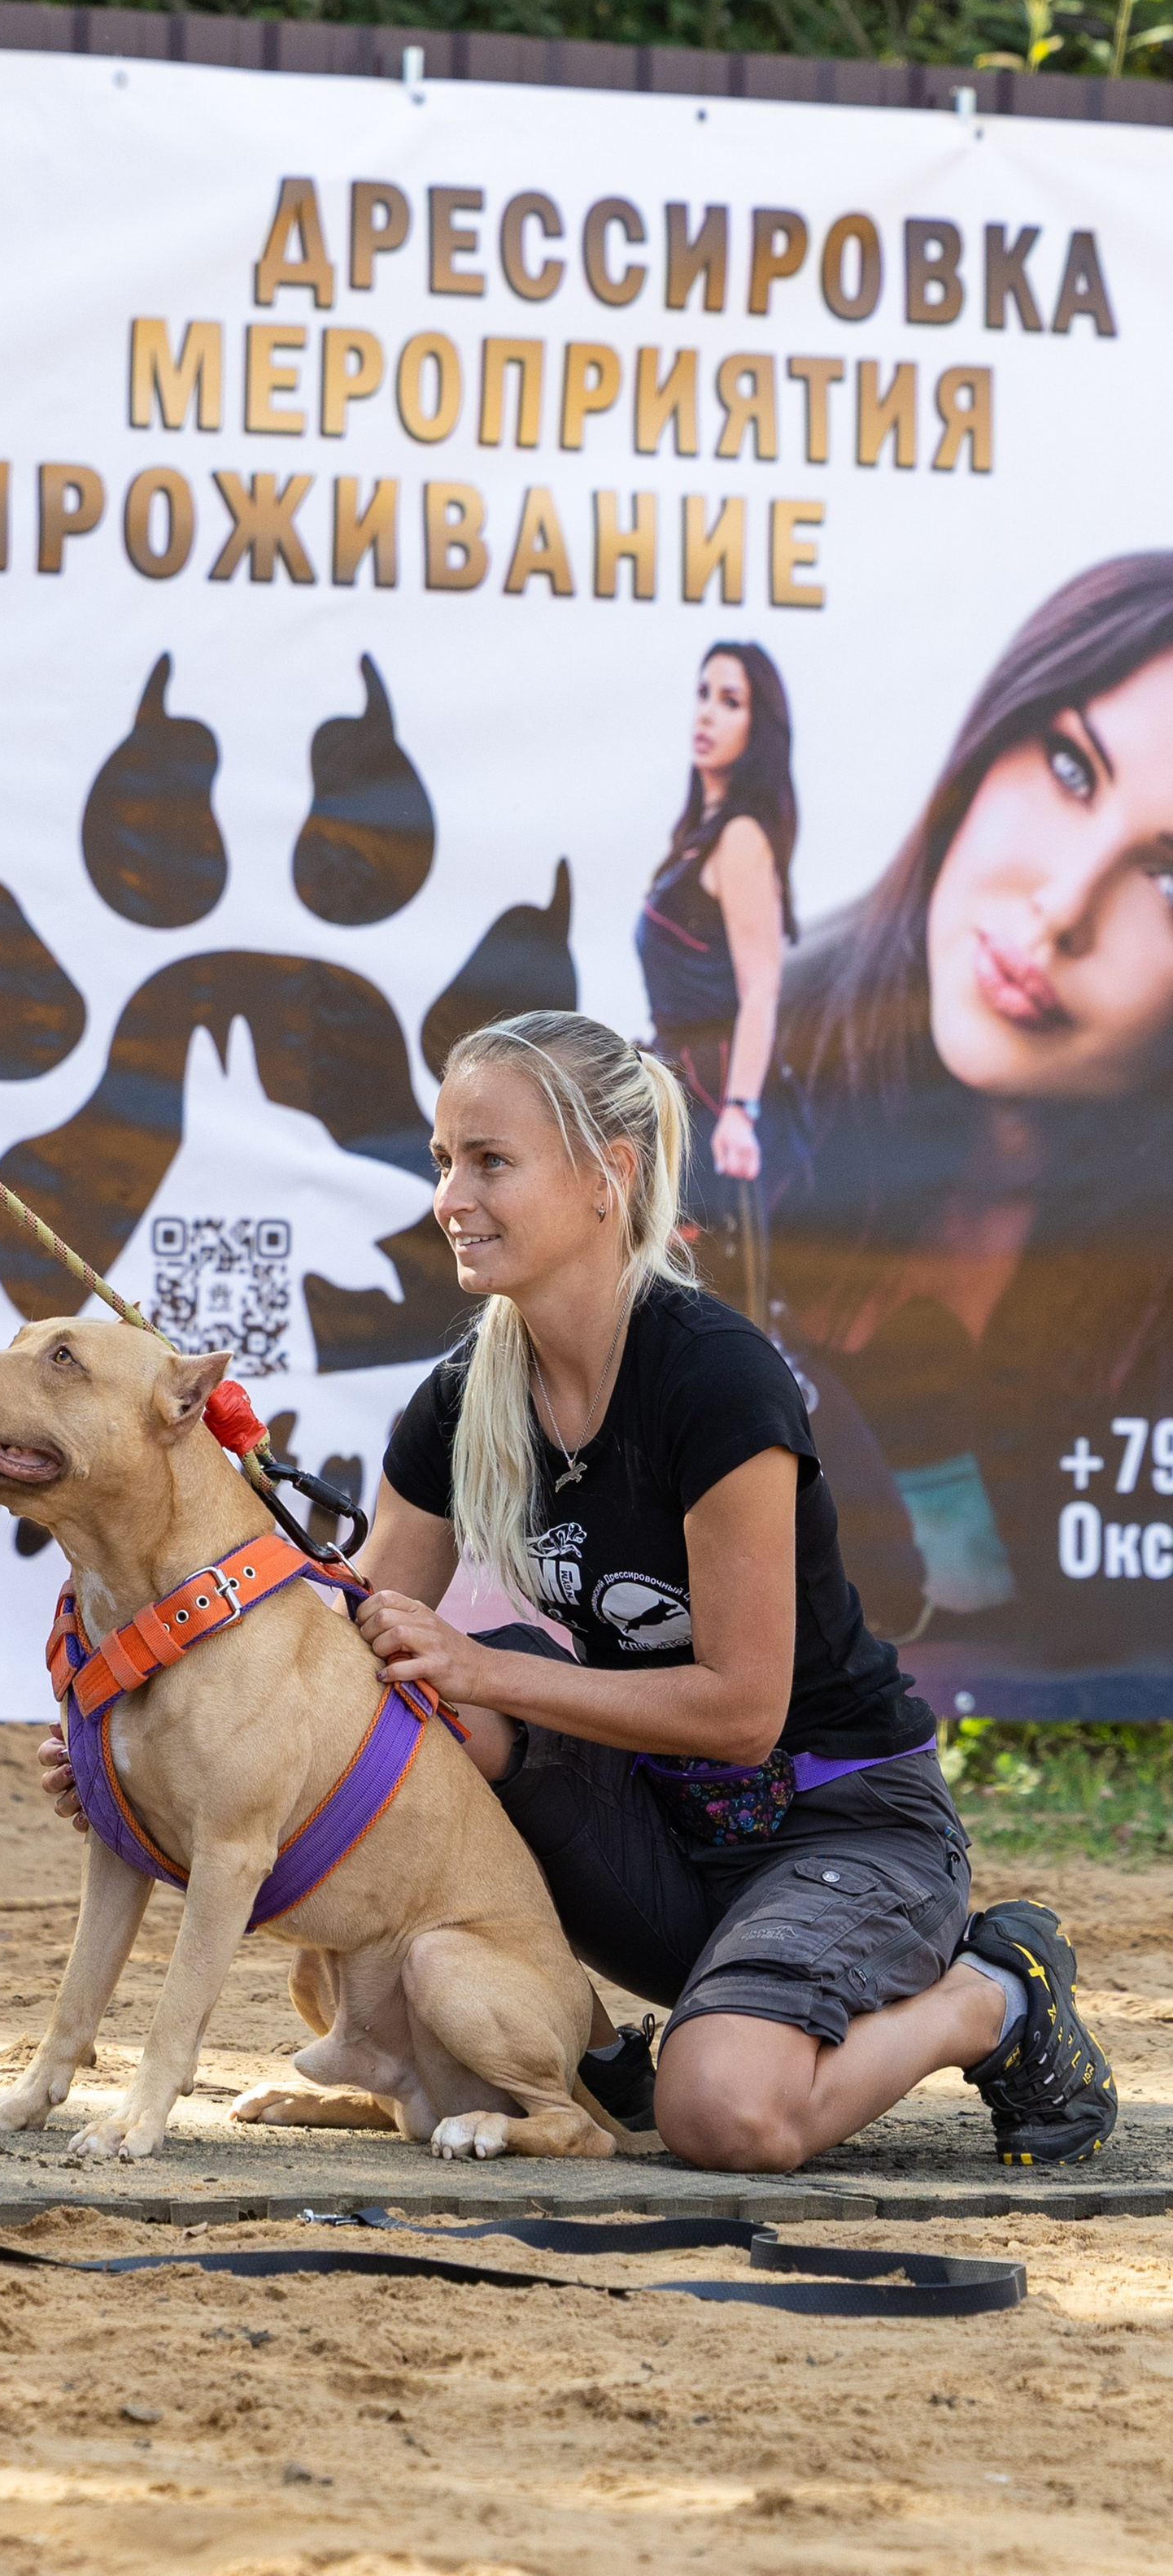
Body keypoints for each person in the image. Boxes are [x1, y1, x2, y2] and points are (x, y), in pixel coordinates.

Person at [347, 1011, 1115, 2172]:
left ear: (611, 1174)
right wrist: (136, 1757)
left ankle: (993, 1989)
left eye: (490, 1160)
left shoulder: (715, 1377)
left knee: (725, 2118)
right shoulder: (464, 1396)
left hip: (849, 1830)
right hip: (670, 1853)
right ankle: (598, 2048)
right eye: (444, 1159)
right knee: (418, 1700)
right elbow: (341, 1654)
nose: (451, 1194)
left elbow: (742, 1712)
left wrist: (485, 1663)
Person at [774, 556, 1173, 1699]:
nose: (1059, 910)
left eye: (1170, 875)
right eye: (1069, 766)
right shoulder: (716, 1105)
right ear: (990, 738)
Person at [635, 642, 800, 1322]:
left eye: (730, 701)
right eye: (704, 692)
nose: (707, 712)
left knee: (718, 1313)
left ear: (755, 730)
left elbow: (762, 989)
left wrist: (741, 1111)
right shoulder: (698, 838)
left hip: (718, 1105)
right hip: (682, 1096)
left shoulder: (741, 839)